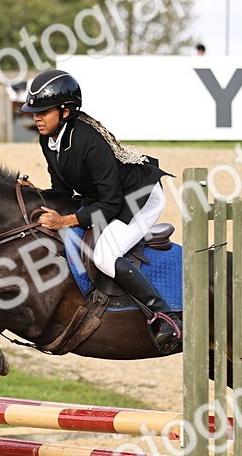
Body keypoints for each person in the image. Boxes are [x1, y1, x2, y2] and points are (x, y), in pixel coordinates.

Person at [23, 69, 182, 352]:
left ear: (66, 111)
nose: (36, 117)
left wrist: (67, 220)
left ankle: (164, 318)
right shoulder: (49, 139)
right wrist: (33, 193)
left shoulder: (87, 139)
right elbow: (62, 191)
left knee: (105, 255)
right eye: (34, 111)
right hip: (111, 198)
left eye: (44, 111)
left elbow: (111, 204)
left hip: (139, 198)